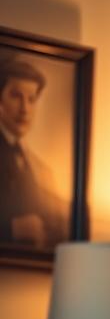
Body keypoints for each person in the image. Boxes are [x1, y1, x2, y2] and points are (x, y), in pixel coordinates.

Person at [0, 58, 66, 250]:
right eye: (15, 96)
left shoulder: (42, 170)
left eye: (31, 99)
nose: (25, 109)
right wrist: (10, 229)